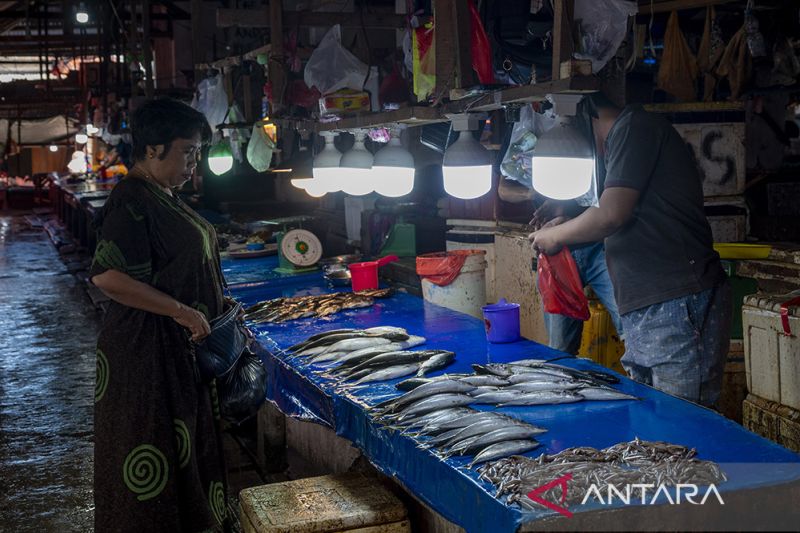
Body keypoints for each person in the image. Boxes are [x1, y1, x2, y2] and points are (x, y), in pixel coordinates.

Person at [529, 93, 731, 407]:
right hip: (649, 309)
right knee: (655, 436)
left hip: (677, 304)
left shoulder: (635, 127)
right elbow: (629, 219)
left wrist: (556, 237)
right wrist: (568, 224)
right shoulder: (622, 141)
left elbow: (611, 215)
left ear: (584, 113)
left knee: (683, 430)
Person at [90, 99, 230, 532]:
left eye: (198, 151)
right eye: (187, 151)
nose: (194, 162)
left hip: (175, 350)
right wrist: (184, 311)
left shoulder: (161, 194)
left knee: (184, 454)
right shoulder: (130, 198)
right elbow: (107, 277)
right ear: (153, 149)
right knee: (153, 453)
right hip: (145, 356)